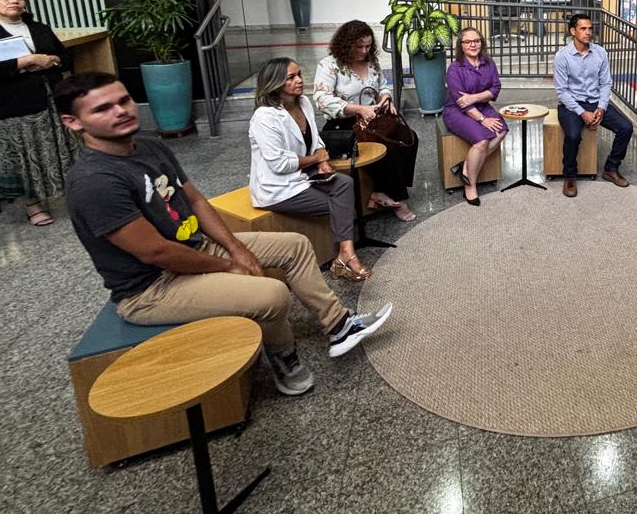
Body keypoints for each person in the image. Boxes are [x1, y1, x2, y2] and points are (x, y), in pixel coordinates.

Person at [56, 72, 392, 397]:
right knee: (271, 295)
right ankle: (284, 359)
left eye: (124, 100)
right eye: (102, 109)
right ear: (73, 121)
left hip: (195, 248)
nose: (121, 111)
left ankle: (339, 327)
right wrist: (230, 266)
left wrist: (233, 247)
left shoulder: (148, 147)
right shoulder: (94, 181)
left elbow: (195, 200)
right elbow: (155, 253)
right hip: (152, 287)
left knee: (295, 246)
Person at [251, 58, 371, 281]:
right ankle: (347, 257)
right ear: (275, 83)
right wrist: (315, 158)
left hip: (305, 175)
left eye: (299, 74)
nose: (299, 81)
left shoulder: (303, 102)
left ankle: (344, 255)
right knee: (341, 205)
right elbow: (279, 164)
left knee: (345, 184)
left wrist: (321, 159)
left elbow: (316, 138)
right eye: (291, 77)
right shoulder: (264, 117)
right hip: (278, 187)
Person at [0, 0, 78, 225]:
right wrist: (23, 62)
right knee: (22, 157)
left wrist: (52, 60)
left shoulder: (38, 28)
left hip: (46, 100)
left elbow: (67, 58)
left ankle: (74, 195)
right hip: (7, 106)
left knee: (55, 151)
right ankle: (33, 204)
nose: (14, 1)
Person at [313, 20, 417, 221]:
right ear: (346, 44)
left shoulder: (371, 62)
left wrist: (386, 99)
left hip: (373, 120)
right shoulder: (330, 65)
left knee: (409, 137)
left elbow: (382, 86)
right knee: (389, 148)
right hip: (344, 124)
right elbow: (321, 99)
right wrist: (359, 108)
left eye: (368, 46)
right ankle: (397, 198)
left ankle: (382, 190)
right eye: (359, 46)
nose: (364, 50)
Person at [553, 13, 633, 197]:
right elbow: (562, 91)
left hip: (597, 101)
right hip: (572, 104)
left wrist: (602, 107)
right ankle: (570, 176)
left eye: (590, 28)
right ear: (573, 31)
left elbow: (605, 83)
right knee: (573, 136)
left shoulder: (600, 53)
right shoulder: (562, 56)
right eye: (583, 28)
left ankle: (611, 168)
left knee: (626, 128)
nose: (588, 32)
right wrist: (582, 113)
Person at [442, 27, 507, 206]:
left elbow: (495, 88)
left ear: (482, 43)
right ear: (460, 46)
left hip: (481, 105)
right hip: (456, 111)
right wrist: (483, 119)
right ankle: (470, 186)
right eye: (468, 41)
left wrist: (476, 97)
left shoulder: (488, 63)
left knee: (501, 130)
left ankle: (465, 165)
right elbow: (462, 102)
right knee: (482, 141)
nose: (473, 44)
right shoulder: (455, 69)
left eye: (477, 41)